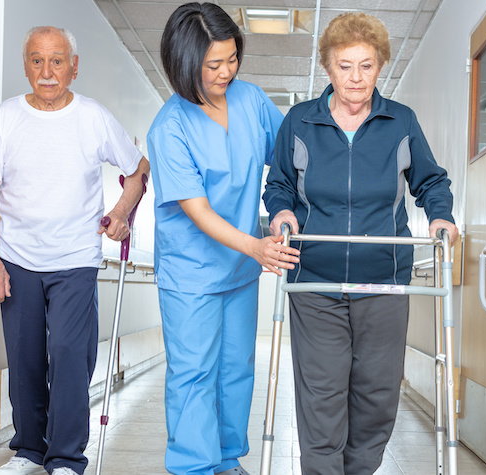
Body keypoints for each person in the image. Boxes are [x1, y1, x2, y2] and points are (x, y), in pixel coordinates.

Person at [263, 11, 459, 475]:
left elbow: (431, 182)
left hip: (384, 282)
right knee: (322, 396)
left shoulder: (400, 122)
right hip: (314, 281)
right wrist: (282, 212)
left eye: (366, 65)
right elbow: (279, 185)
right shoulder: (300, 122)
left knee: (375, 396)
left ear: (380, 67)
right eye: (345, 65)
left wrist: (440, 217)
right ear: (328, 69)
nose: (356, 76)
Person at [0, 26, 149, 475]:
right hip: (17, 258)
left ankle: (67, 458)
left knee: (71, 354)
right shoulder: (7, 117)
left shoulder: (92, 117)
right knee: (26, 357)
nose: (47, 72)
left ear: (74, 66)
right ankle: (29, 449)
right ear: (26, 66)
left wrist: (123, 209)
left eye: (56, 61)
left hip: (75, 260)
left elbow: (137, 168)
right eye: (36, 60)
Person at [146, 3, 299, 475]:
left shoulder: (252, 101)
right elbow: (198, 210)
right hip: (190, 271)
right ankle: (193, 466)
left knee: (236, 370)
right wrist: (256, 245)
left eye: (232, 58)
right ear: (184, 62)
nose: (226, 71)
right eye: (213, 64)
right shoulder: (169, 128)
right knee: (194, 373)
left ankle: (227, 459)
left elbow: (290, 156)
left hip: (239, 270)